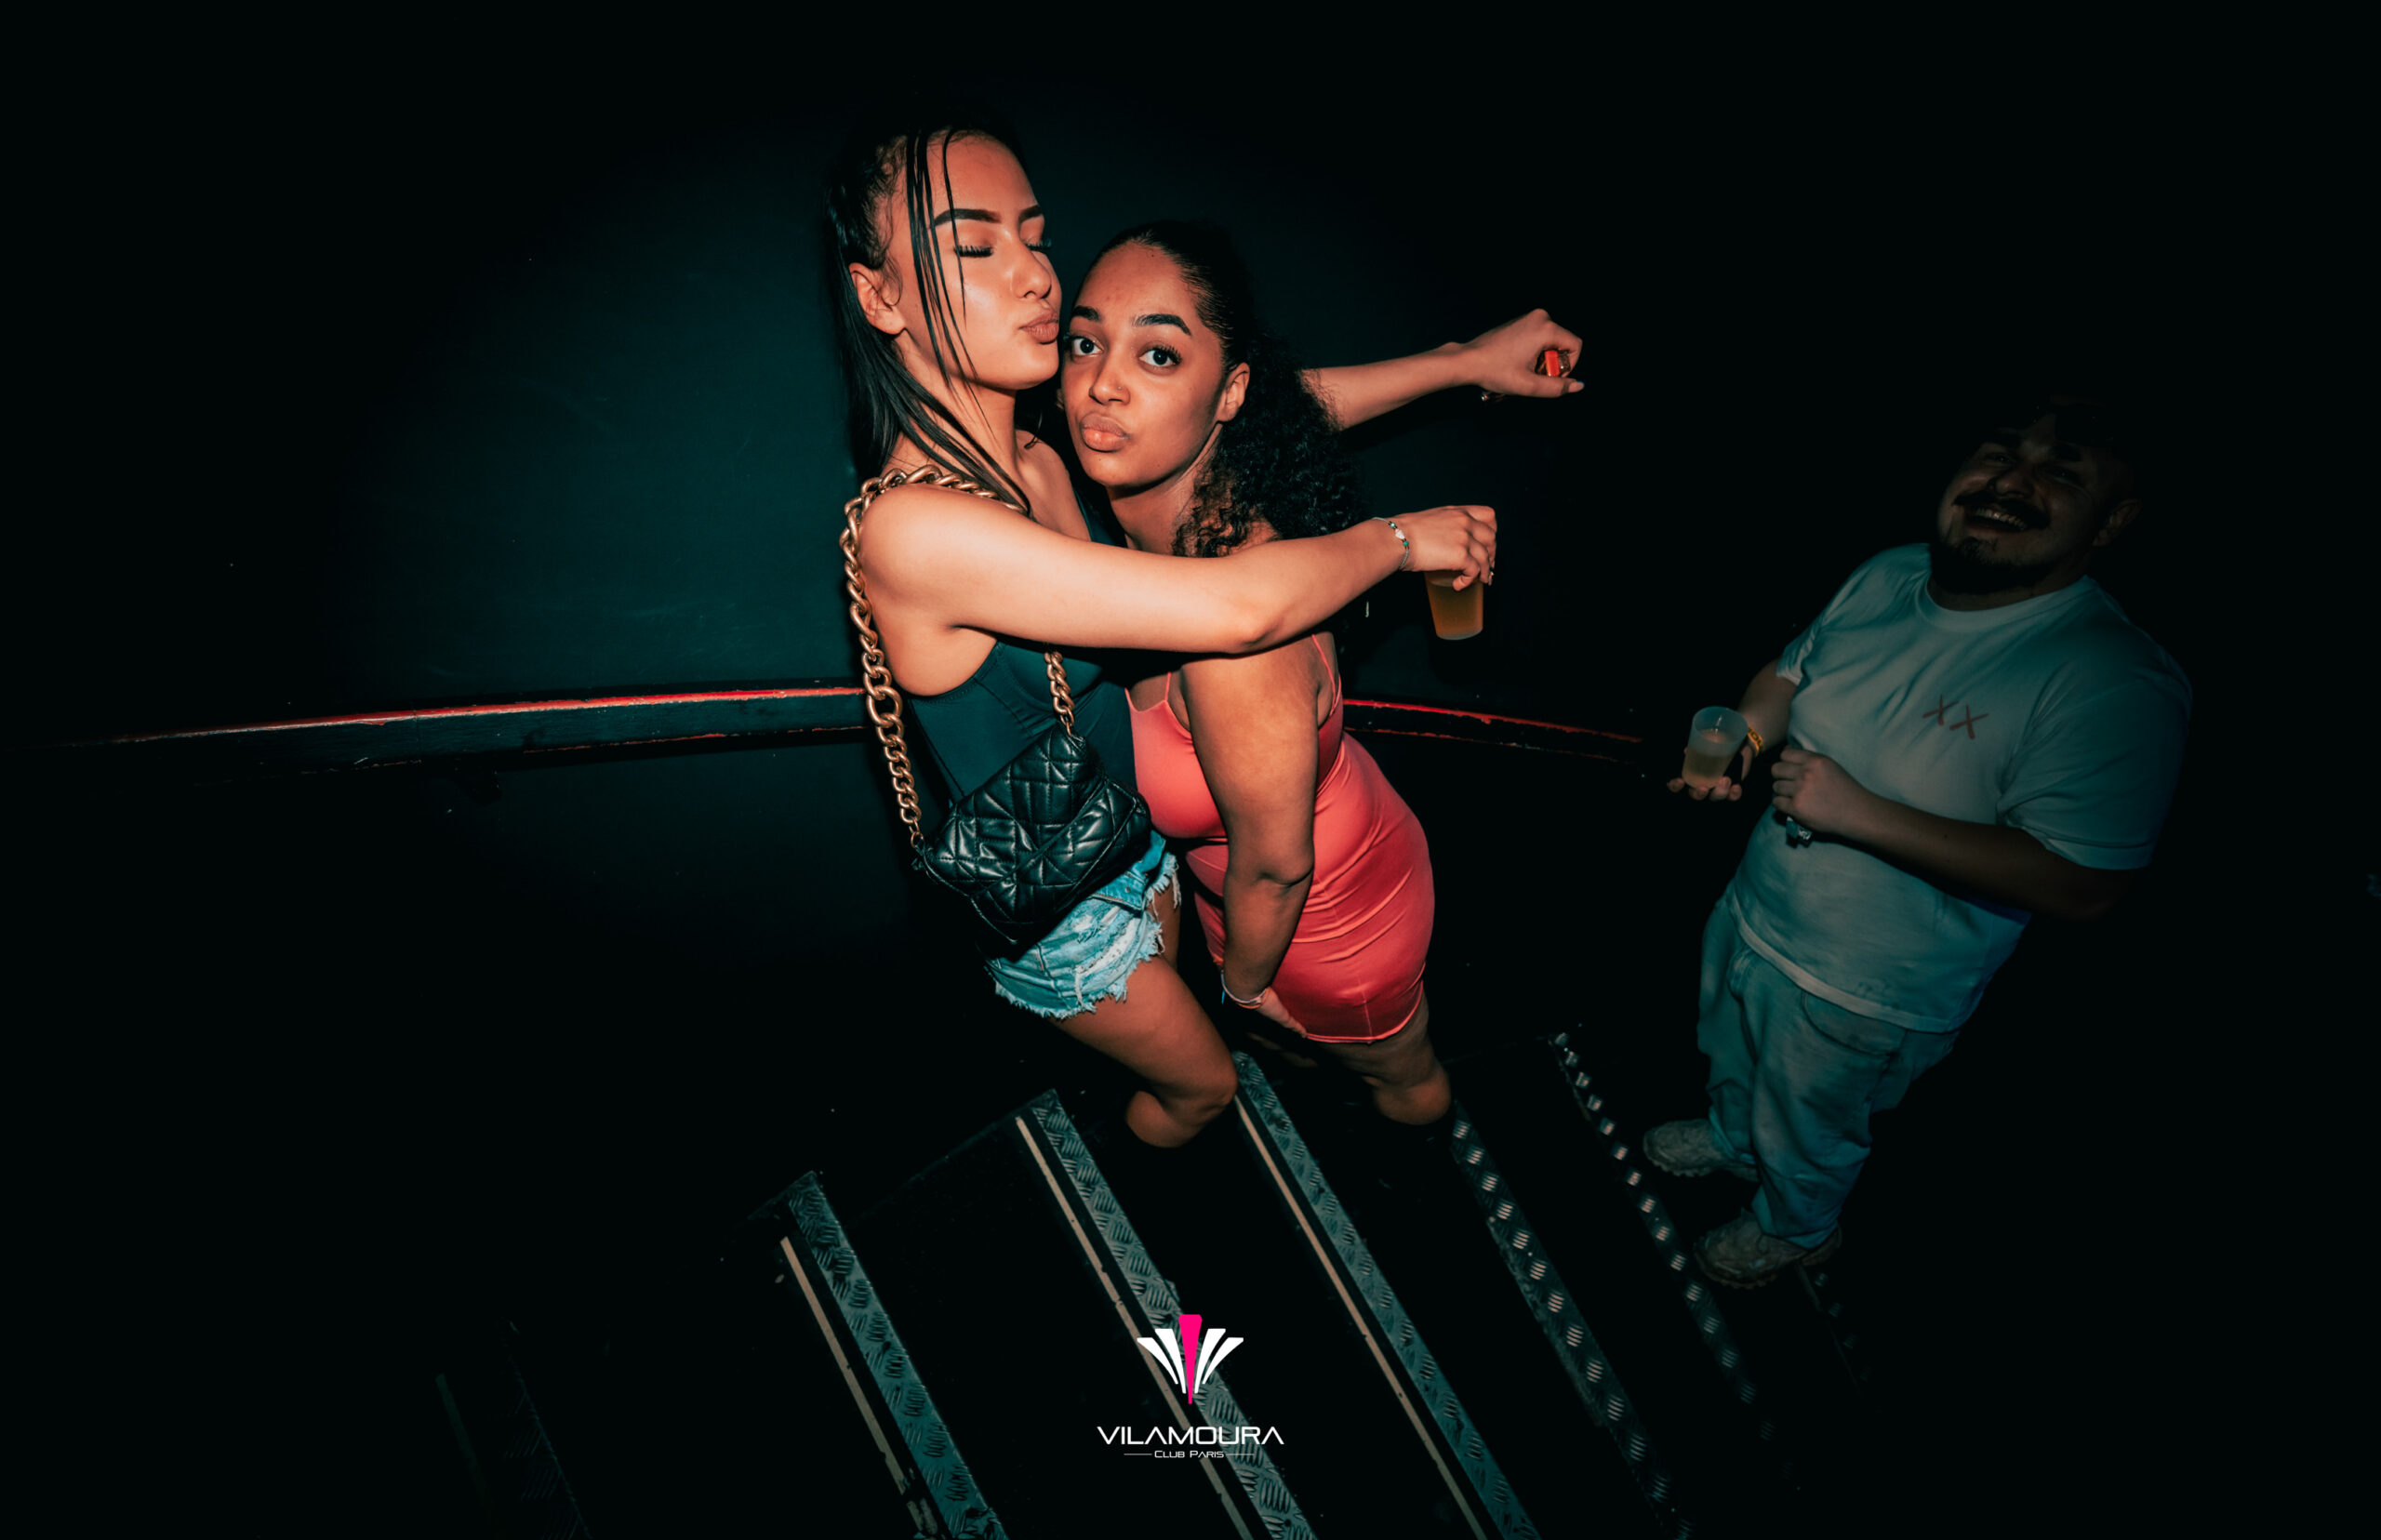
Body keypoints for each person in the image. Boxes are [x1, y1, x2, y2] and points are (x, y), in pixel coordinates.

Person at [828, 108, 1548, 1149]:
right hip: (1065, 908)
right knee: (1203, 1090)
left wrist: (1461, 360)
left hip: (1130, 842)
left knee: (1235, 1042)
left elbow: (1233, 405)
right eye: (975, 248)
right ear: (879, 296)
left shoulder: (1030, 456)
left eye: (1034, 236)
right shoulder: (918, 529)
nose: (1035, 276)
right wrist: (1400, 540)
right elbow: (1238, 607)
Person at [1645, 396, 2190, 1287]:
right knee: (1733, 1052)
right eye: (2000, 452)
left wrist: (1858, 812)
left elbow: (2089, 885)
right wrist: (1746, 735)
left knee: (1811, 1126)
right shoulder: (1891, 572)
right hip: (1759, 909)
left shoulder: (2113, 676)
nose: (2010, 482)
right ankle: (1737, 1138)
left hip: (1867, 988)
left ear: (2113, 519)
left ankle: (1798, 1225)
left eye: (2061, 472)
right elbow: (1791, 672)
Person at [1061, 223, 1575, 1130]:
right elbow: (1294, 407)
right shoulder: (1198, 475)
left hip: (1329, 928)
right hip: (1271, 886)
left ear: (1227, 393)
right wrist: (1462, 360)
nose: (1103, 383)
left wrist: (1240, 990)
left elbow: (1277, 867)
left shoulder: (1238, 640)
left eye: (1157, 354)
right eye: (1084, 342)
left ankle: (1430, 1142)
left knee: (1403, 1076)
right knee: (1299, 1047)